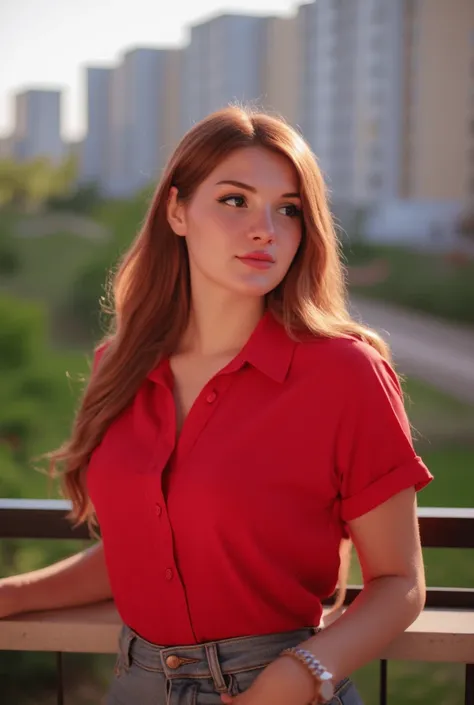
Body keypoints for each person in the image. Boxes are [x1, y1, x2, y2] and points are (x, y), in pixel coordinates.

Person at [0, 106, 433, 705]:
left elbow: (400, 583)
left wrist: (299, 673)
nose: (266, 230)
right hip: (137, 686)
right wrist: (13, 594)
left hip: (277, 688)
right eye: (235, 200)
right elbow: (147, 553)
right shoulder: (119, 366)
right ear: (177, 211)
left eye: (289, 210)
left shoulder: (344, 374)